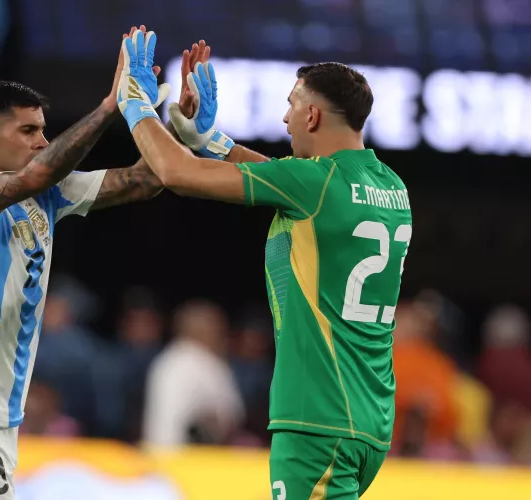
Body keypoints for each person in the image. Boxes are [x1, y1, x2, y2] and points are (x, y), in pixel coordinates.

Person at [116, 30, 413, 499]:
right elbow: (291, 184)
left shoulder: (313, 184)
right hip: (368, 420)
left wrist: (135, 106)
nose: (284, 117)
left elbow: (177, 173)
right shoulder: (390, 186)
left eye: (292, 105)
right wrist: (213, 140)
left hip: (316, 418)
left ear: (313, 114)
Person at [0, 25, 167, 499]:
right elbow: (38, 174)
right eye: (29, 130)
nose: (42, 140)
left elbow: (145, 181)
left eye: (44, 130)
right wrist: (111, 107)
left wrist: (164, 122)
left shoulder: (47, 197)